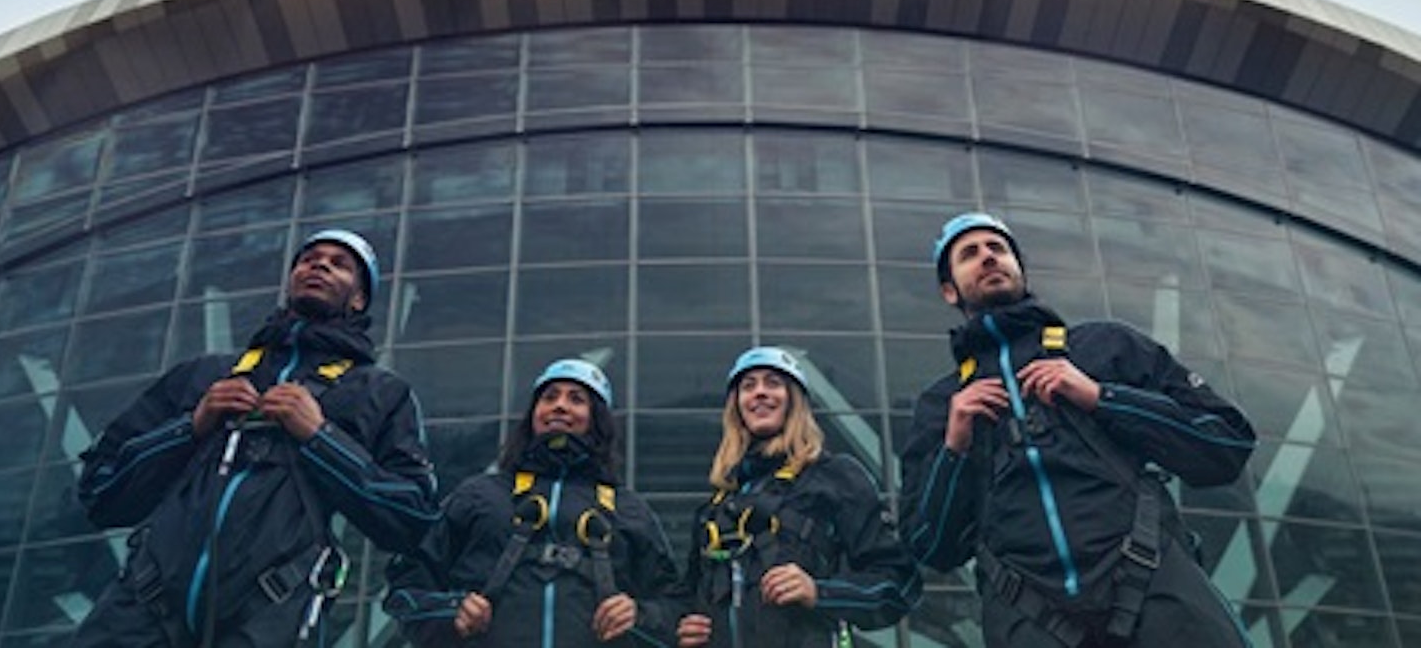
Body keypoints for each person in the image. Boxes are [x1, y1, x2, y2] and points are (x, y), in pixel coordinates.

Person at [899, 212, 1257, 647]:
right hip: (1027, 615)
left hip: (1157, 593)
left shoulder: (1105, 348)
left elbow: (1226, 443)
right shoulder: (942, 406)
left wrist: (1101, 397)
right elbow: (928, 545)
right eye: (969, 254)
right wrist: (954, 447)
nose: (988, 258)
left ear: (1020, 269)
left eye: (998, 248)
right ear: (949, 289)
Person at [72, 228, 440, 647]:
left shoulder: (378, 393)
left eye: (339, 264)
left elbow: (413, 520)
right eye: (309, 258)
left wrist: (320, 438)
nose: (319, 265)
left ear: (359, 299)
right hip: (142, 607)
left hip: (270, 616)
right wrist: (191, 426)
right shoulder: (203, 375)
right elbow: (99, 490)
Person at [384, 358, 684, 646]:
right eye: (549, 397)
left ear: (597, 419)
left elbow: (676, 608)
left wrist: (639, 615)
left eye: (576, 399)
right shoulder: (478, 496)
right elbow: (407, 585)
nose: (560, 405)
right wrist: (451, 610)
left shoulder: (628, 510)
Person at [676, 346, 921, 648]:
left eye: (773, 383)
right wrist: (686, 626)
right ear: (736, 406)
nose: (760, 392)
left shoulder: (835, 477)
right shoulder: (716, 507)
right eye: (748, 386)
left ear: (795, 400)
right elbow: (685, 600)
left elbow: (899, 583)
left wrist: (820, 592)